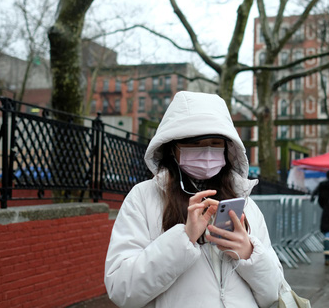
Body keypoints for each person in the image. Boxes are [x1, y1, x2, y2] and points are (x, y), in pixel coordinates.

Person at [104, 91, 283, 308]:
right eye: (195, 143)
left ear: (228, 148)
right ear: (172, 147)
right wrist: (184, 239)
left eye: (216, 143)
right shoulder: (143, 198)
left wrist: (248, 254)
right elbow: (122, 290)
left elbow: (273, 292)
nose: (207, 152)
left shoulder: (244, 202)